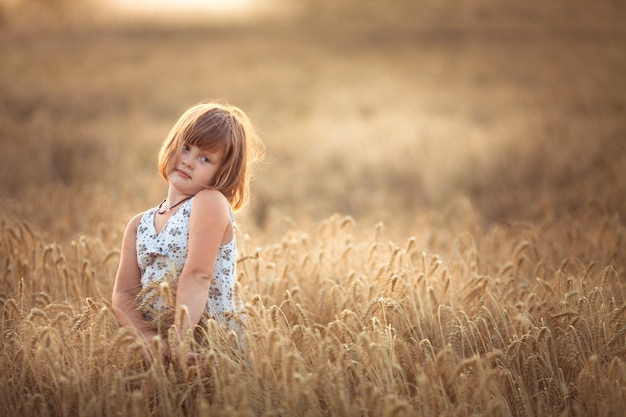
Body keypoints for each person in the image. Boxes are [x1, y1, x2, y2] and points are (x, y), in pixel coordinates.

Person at [112, 100, 264, 361]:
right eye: (186, 148)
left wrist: (180, 343)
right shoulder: (139, 225)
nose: (189, 161)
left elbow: (198, 274)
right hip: (159, 352)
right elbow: (123, 293)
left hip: (209, 347)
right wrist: (148, 339)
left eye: (205, 158)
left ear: (221, 173)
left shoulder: (209, 202)